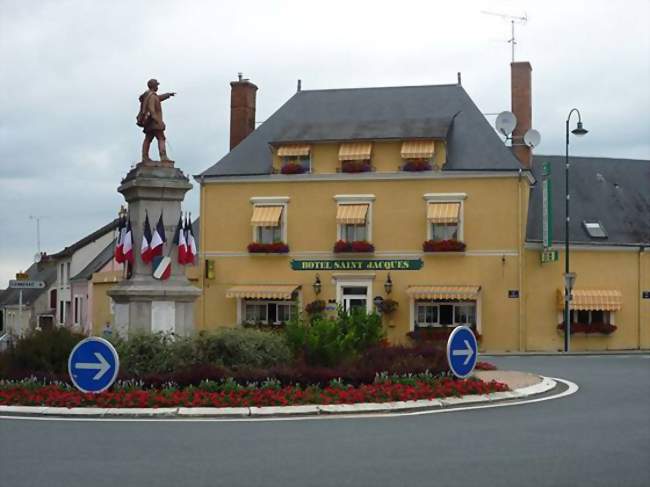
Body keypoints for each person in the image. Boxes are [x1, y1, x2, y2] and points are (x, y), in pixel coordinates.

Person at [137, 79, 175, 161]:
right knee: (161, 138)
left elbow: (158, 98)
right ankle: (163, 157)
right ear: (154, 86)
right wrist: (158, 121)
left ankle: (145, 157)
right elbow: (151, 109)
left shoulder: (149, 95)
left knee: (148, 139)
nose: (157, 87)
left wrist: (168, 94)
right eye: (157, 85)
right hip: (154, 122)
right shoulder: (152, 96)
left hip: (149, 122)